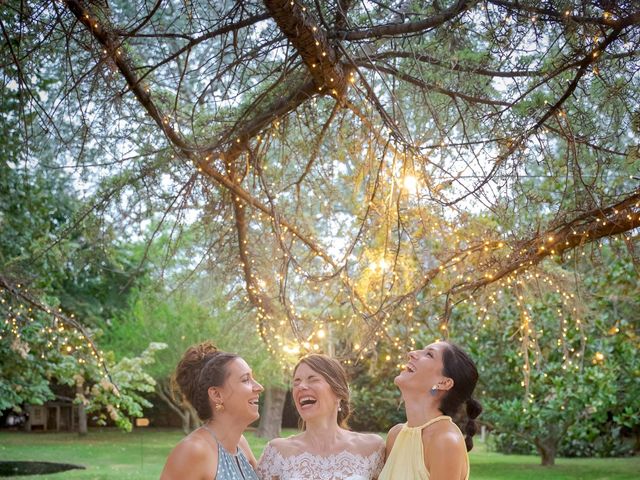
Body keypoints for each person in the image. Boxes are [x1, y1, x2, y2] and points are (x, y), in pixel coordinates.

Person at [257, 354, 384, 480]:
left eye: (313, 379)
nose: (301, 386)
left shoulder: (372, 448)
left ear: (338, 393)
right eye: (296, 382)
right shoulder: (277, 452)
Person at [379, 341, 482, 480]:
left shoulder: (446, 442)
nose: (412, 354)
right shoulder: (395, 435)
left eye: (429, 354)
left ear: (444, 383)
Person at [161, 342, 264, 480]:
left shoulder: (240, 443)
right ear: (216, 395)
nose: (259, 387)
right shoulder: (193, 451)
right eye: (245, 380)